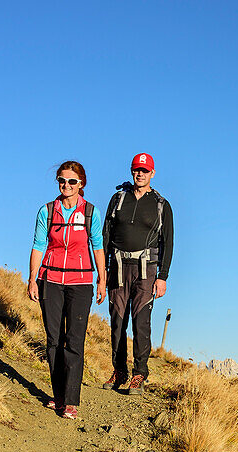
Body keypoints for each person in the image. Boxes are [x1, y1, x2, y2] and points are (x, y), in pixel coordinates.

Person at [27, 161, 106, 419]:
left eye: (72, 181)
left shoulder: (91, 213)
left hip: (81, 284)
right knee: (53, 340)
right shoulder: (47, 211)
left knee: (74, 340)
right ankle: (58, 396)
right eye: (62, 180)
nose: (66, 185)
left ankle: (71, 401)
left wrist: (102, 280)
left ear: (81, 183)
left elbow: (98, 247)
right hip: (49, 280)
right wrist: (31, 279)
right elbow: (38, 245)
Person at [101, 152, 174, 394]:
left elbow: (168, 243)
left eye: (145, 170)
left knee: (141, 322)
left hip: (146, 271)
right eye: (136, 169)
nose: (140, 173)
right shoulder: (118, 199)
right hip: (118, 269)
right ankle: (119, 370)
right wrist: (103, 272)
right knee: (117, 321)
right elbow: (105, 236)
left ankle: (140, 374)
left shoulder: (162, 205)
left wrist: (162, 276)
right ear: (132, 171)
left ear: (153, 173)